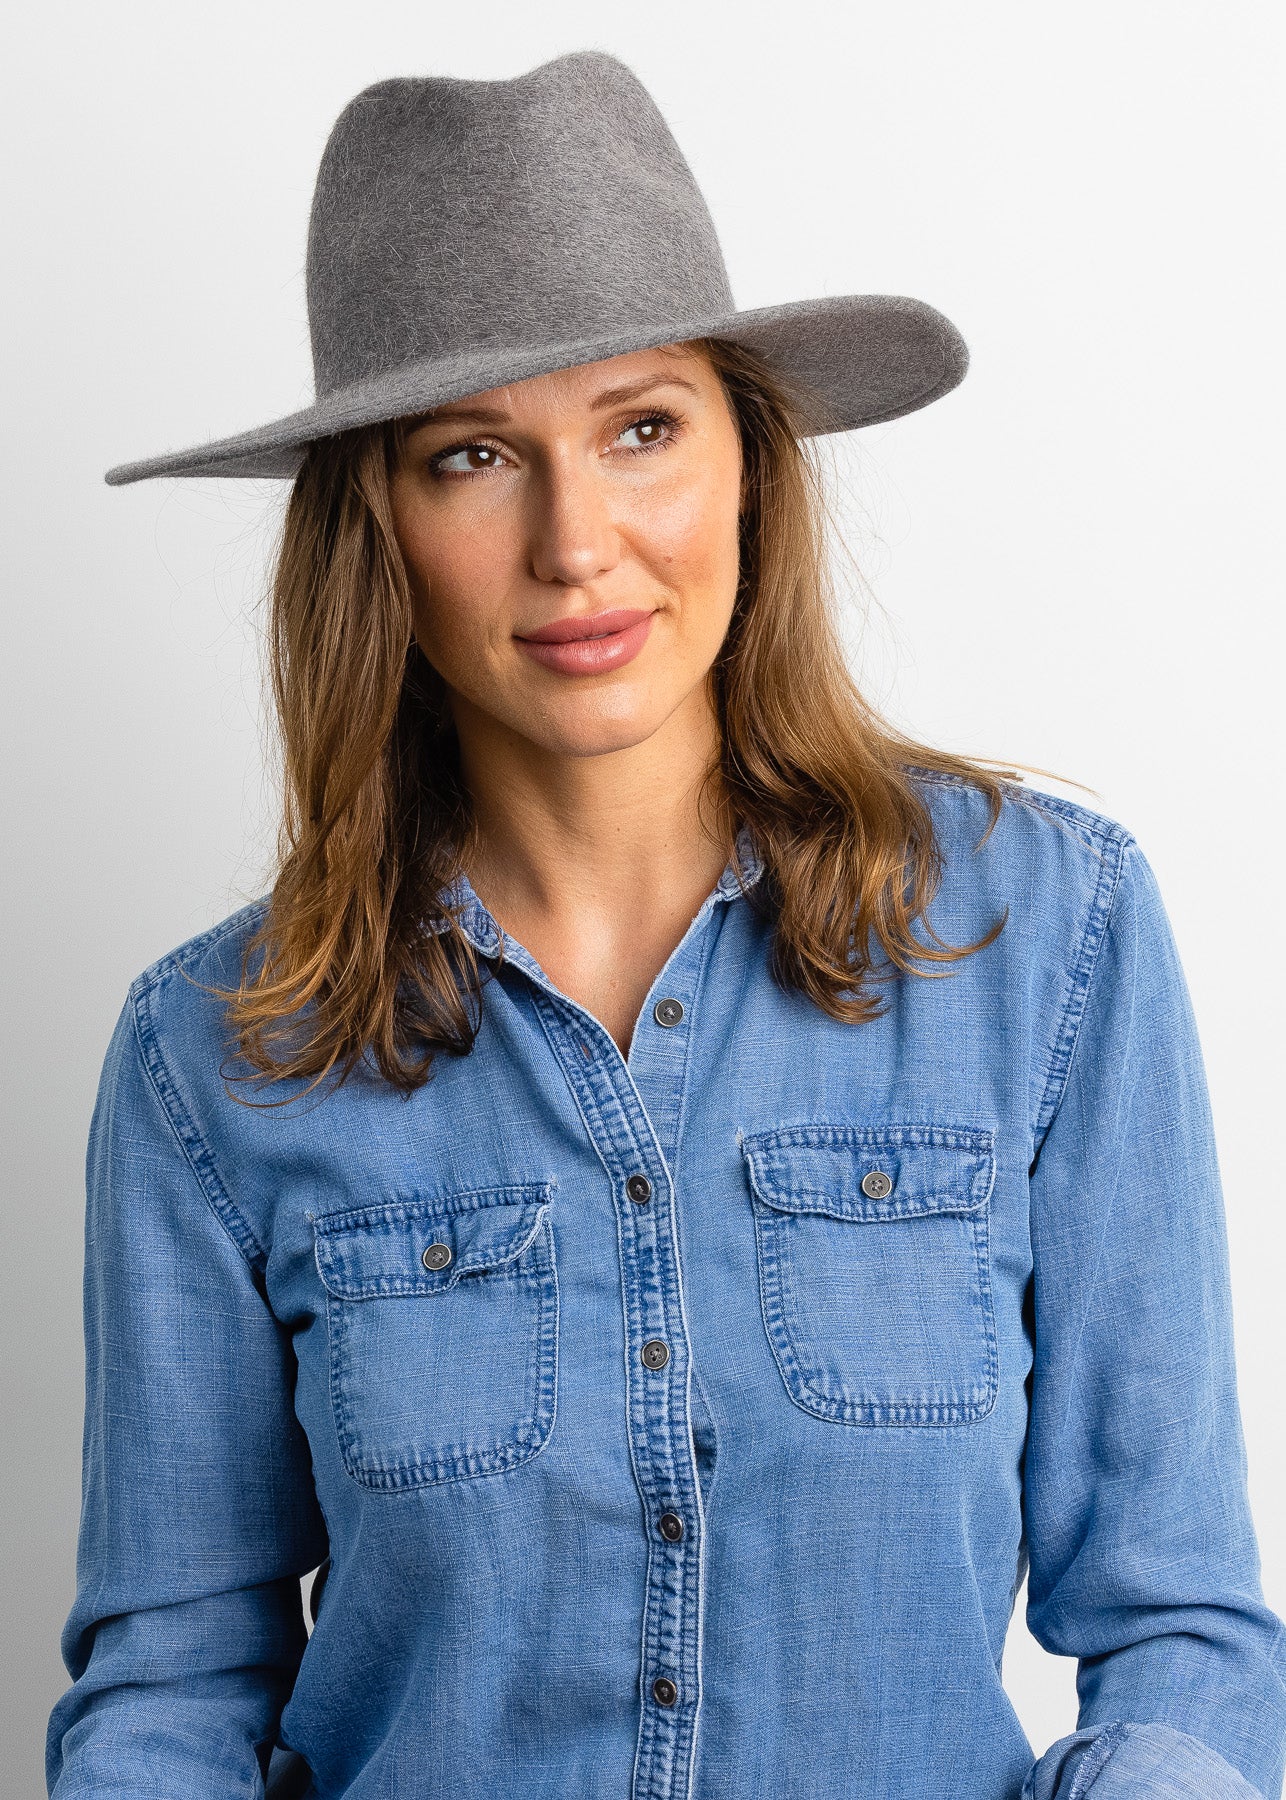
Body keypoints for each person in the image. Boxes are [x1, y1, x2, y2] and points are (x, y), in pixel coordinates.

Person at [46, 49, 1286, 1800]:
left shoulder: (1048, 938)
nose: (577, 543)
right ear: (376, 532)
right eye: (472, 455)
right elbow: (171, 1684)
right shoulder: (217, 1052)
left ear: (749, 469)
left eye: (641, 428)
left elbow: (1181, 1630)